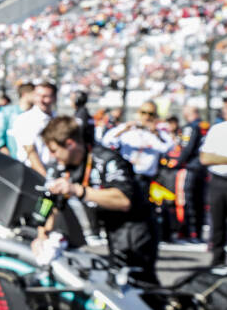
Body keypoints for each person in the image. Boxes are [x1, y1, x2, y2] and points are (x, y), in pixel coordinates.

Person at [38, 116, 158, 285]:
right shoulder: (61, 166)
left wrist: (78, 190)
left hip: (134, 228)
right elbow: (51, 202)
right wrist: (41, 235)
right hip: (110, 228)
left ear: (70, 144)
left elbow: (123, 201)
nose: (51, 156)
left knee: (136, 283)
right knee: (114, 280)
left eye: (54, 150)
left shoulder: (107, 159)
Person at [101, 101, 174, 193]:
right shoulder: (128, 128)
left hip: (146, 179)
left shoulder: (158, 133)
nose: (147, 117)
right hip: (126, 176)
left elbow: (168, 147)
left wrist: (156, 133)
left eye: (151, 114)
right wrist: (124, 129)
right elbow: (106, 141)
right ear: (139, 113)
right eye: (144, 112)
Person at [200, 95, 227, 266]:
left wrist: (219, 157)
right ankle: (217, 262)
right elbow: (205, 158)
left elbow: (212, 156)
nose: (226, 111)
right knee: (217, 224)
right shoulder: (218, 129)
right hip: (218, 181)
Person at [172, 104, 208, 241]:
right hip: (203, 168)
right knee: (199, 201)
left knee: (187, 200)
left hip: (191, 168)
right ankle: (197, 233)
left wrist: (176, 163)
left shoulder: (190, 127)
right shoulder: (206, 126)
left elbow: (186, 148)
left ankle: (189, 232)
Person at [11, 81, 57, 177]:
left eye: (45, 96)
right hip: (31, 174)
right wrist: (46, 179)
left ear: (54, 98)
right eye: (38, 95)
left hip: (54, 172)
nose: (41, 100)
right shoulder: (24, 120)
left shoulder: (58, 119)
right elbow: (31, 152)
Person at [0, 82, 34, 156]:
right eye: (34, 94)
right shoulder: (7, 112)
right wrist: (2, 148)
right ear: (25, 94)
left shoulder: (36, 114)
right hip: (12, 158)